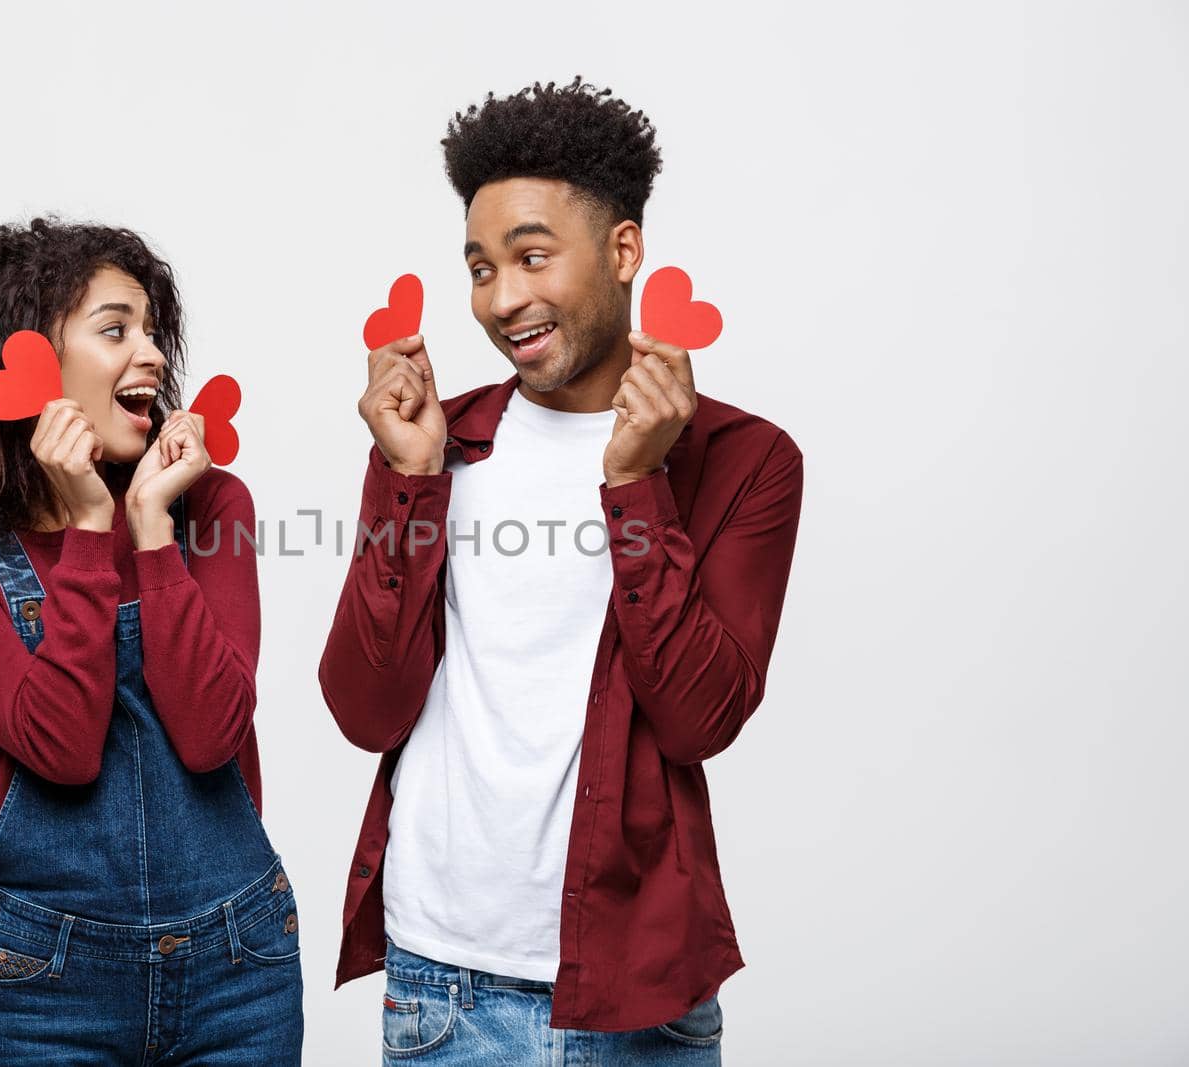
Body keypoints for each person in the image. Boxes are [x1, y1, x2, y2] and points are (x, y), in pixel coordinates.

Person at [318, 78, 804, 1064]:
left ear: (621, 250)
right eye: (480, 266)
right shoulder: (435, 441)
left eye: (532, 256)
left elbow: (697, 717)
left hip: (639, 993)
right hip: (439, 983)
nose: (501, 299)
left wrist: (633, 484)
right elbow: (363, 706)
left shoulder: (743, 460)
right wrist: (409, 480)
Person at [0, 217, 303, 1065]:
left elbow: (211, 731)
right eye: (116, 329)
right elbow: (63, 744)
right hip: (44, 980)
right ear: (27, 362)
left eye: (152, 330)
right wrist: (87, 526)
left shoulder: (212, 508)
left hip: (239, 962)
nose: (151, 353)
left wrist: (150, 531)